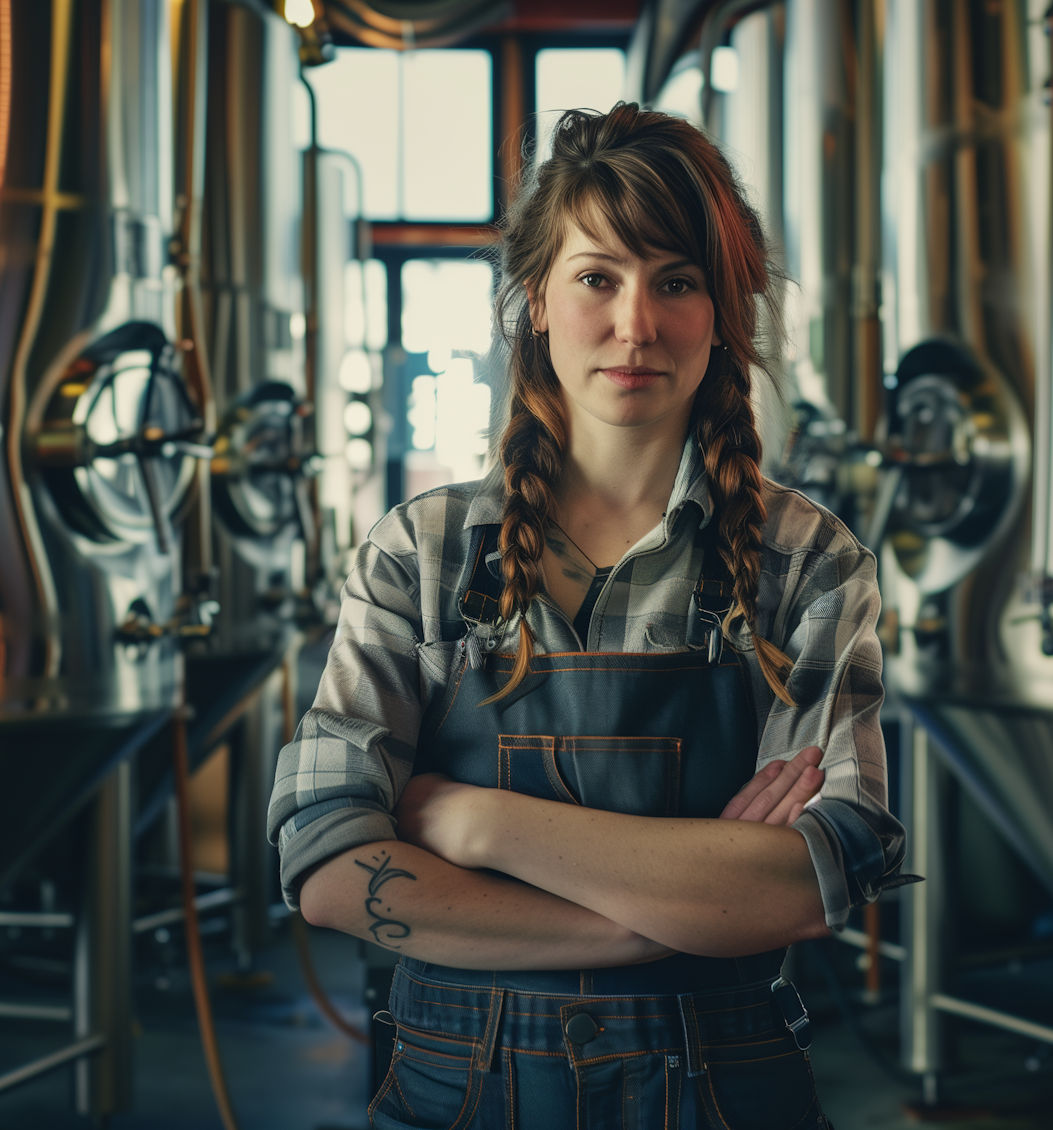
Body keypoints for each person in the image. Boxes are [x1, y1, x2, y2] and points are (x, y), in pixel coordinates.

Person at [269, 103, 909, 1129]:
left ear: (722, 312)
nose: (637, 324)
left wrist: (473, 821)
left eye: (677, 281)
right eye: (598, 277)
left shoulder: (807, 564)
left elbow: (806, 881)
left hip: (726, 1094)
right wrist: (680, 912)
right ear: (534, 302)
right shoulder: (422, 555)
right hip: (452, 1093)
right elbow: (331, 871)